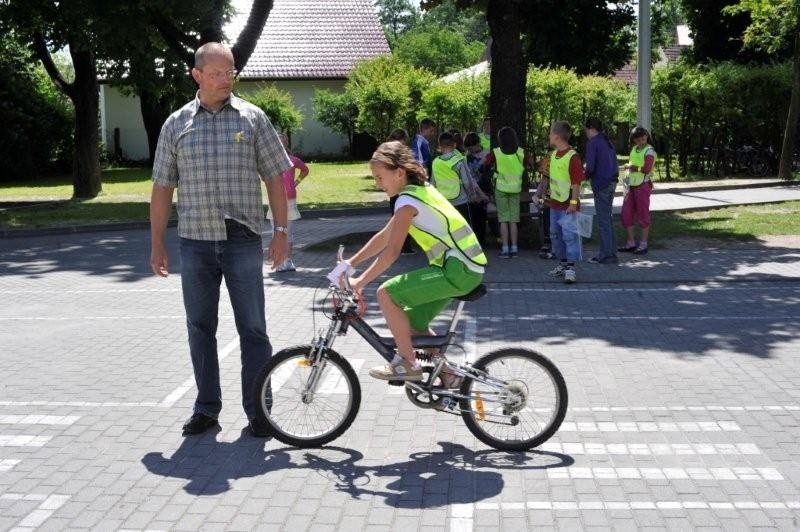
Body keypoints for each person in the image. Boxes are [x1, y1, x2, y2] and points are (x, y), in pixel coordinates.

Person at [149, 42, 292, 438]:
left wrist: (281, 232)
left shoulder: (253, 118)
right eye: (217, 73)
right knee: (199, 328)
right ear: (197, 76)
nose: (226, 79)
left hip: (243, 239)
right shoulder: (176, 125)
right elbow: (162, 188)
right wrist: (157, 243)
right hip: (195, 243)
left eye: (230, 72)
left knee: (254, 329)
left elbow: (276, 178)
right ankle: (207, 408)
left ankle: (259, 411)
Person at [327, 141, 486, 383]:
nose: (378, 184)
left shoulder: (406, 202)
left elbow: (391, 253)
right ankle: (450, 376)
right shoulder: (418, 191)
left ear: (399, 173)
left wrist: (359, 283)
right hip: (462, 268)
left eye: (380, 177)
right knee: (410, 322)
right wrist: (351, 263)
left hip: (457, 269)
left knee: (386, 293)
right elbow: (384, 236)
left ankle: (407, 364)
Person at [542, 121, 585, 283]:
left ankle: (571, 268)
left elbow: (576, 182)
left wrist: (573, 202)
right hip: (555, 204)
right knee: (555, 234)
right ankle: (562, 263)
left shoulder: (572, 156)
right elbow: (549, 179)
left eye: (550, 133)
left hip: (568, 206)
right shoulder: (553, 155)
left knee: (569, 236)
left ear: (557, 136)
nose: (549, 136)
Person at [482, 126, 533, 258]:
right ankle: (514, 248)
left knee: (503, 220)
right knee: (513, 220)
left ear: (500, 139)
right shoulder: (522, 152)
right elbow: (531, 163)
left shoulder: (496, 152)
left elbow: (485, 163)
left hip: (500, 188)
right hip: (516, 189)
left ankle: (505, 248)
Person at [268, 133, 309, 272]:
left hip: (290, 199)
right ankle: (279, 261)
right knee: (276, 232)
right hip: (275, 200)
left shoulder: (292, 160)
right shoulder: (270, 160)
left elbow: (305, 170)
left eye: (282, 141)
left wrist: (295, 182)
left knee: (288, 232)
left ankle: (288, 260)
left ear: (285, 144)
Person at [431, 131, 488, 227]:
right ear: (454, 145)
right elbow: (466, 181)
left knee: (451, 230)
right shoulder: (459, 161)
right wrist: (472, 195)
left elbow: (432, 183)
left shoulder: (435, 162)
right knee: (465, 230)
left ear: (440, 146)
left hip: (445, 203)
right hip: (462, 202)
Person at [583, 118, 619, 264]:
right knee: (608, 220)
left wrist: (583, 176)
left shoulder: (593, 143)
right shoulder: (607, 141)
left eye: (586, 130)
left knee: (603, 221)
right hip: (611, 182)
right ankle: (612, 253)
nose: (585, 133)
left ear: (591, 128)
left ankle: (605, 255)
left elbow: (590, 167)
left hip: (601, 184)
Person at [619, 126, 656, 255]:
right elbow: (631, 164)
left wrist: (633, 168)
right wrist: (628, 169)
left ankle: (643, 244)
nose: (641, 140)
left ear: (647, 135)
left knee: (643, 214)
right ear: (634, 140)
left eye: (643, 137)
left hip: (643, 186)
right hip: (631, 185)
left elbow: (646, 169)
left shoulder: (649, 151)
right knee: (626, 213)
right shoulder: (634, 149)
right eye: (638, 139)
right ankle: (631, 243)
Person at [386, 128, 415, 254]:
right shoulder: (397, 153)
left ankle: (399, 247)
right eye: (404, 141)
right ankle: (404, 247)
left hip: (394, 188)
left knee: (397, 218)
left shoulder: (387, 151)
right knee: (403, 218)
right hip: (400, 188)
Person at [463, 132, 492, 246]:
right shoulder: (466, 157)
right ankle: (476, 240)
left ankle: (484, 238)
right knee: (474, 215)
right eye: (468, 149)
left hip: (484, 188)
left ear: (477, 144)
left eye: (472, 148)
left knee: (484, 215)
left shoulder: (487, 155)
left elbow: (489, 173)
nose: (470, 151)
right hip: (473, 190)